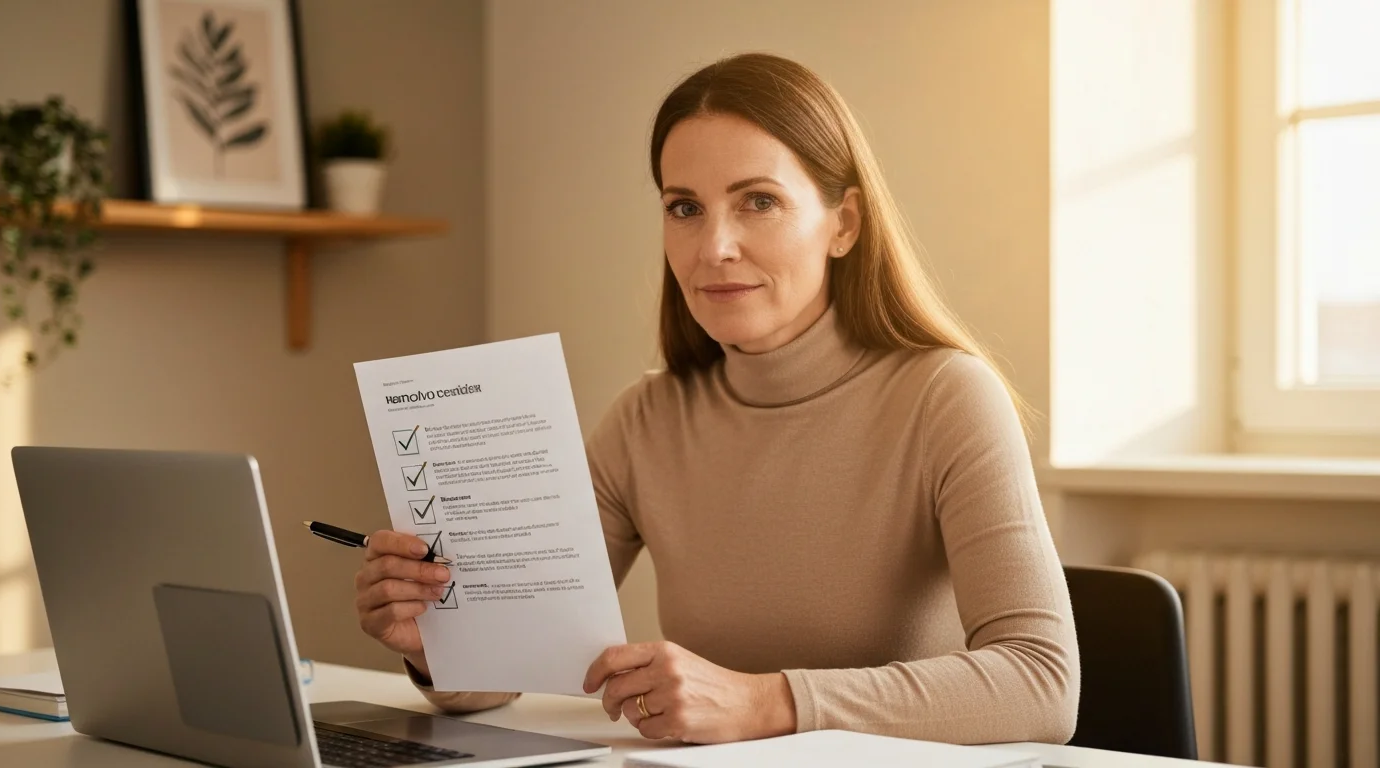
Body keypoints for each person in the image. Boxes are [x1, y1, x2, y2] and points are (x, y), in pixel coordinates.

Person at [353, 52, 1079, 746]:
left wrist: (766, 702)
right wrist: (437, 647)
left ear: (844, 224)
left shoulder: (945, 397)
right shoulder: (646, 421)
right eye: (685, 207)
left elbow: (1043, 684)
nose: (714, 246)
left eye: (758, 201)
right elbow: (503, 664)